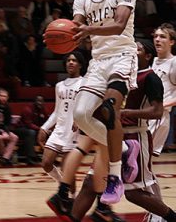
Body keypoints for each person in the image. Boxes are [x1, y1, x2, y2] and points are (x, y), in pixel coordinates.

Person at [61, 39, 176, 222]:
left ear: (147, 56)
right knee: (90, 184)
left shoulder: (150, 77)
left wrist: (125, 112)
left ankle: (171, 217)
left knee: (134, 193)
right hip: (110, 136)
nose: (132, 51)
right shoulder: (120, 76)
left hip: (136, 136)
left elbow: (157, 111)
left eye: (137, 49)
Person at [70, 0, 138, 204]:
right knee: (81, 115)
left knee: (109, 110)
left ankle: (114, 176)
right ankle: (123, 147)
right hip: (98, 63)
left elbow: (120, 24)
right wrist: (64, 34)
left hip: (122, 57)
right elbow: (74, 31)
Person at [38, 51, 84, 194]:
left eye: (74, 60)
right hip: (59, 130)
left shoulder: (85, 83)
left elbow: (87, 107)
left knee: (68, 170)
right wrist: (44, 128)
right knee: (46, 163)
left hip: (73, 132)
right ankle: (61, 183)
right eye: (68, 60)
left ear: (80, 65)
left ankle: (72, 199)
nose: (70, 63)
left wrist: (81, 122)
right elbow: (57, 111)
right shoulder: (59, 85)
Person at [150, 23, 176, 156]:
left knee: (140, 156)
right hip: (145, 113)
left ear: (171, 42)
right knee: (138, 158)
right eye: (156, 36)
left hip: (159, 116)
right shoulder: (152, 60)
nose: (157, 39)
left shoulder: (174, 62)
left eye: (162, 37)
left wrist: (162, 105)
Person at [13, 95, 49, 164]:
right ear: (34, 102)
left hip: (35, 130)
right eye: (38, 101)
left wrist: (46, 130)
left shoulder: (44, 110)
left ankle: (49, 156)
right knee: (31, 132)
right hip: (20, 129)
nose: (40, 103)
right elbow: (28, 124)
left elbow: (47, 122)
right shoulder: (28, 109)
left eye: (41, 101)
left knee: (49, 132)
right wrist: (41, 129)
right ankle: (30, 157)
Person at [0, 87, 19, 166]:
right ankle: (5, 158)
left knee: (14, 137)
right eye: (2, 96)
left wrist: (6, 132)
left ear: (8, 98)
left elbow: (8, 123)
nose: (3, 98)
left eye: (5, 96)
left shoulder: (8, 108)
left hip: (2, 130)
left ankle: (5, 158)